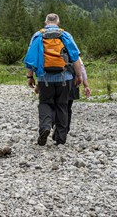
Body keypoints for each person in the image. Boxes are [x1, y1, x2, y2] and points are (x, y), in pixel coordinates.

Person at [24, 13, 82, 146]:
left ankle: (45, 126)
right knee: (62, 105)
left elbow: (32, 58)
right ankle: (61, 138)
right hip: (65, 77)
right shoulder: (66, 35)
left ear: (45, 22)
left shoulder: (37, 36)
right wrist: (78, 76)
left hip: (44, 78)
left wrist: (30, 76)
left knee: (45, 103)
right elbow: (75, 57)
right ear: (58, 21)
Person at [51, 59, 91, 142]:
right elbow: (80, 66)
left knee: (55, 106)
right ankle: (63, 131)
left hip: (52, 79)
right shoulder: (70, 46)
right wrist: (86, 85)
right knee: (67, 107)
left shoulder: (47, 46)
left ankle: (58, 127)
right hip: (71, 80)